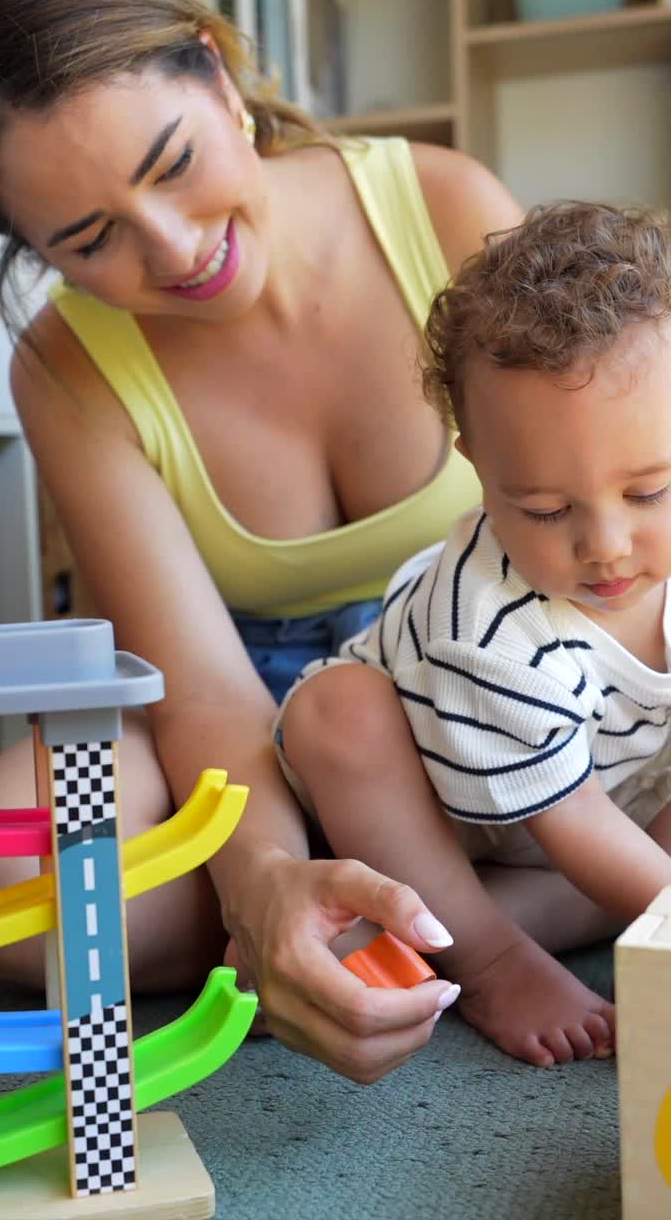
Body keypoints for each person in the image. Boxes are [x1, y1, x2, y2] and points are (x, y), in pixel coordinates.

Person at [0, 0, 523, 1083]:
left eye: (172, 163)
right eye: (91, 239)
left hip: (487, 675)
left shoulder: (446, 207)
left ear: (216, 71)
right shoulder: (67, 366)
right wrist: (259, 875)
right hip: (247, 719)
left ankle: (449, 913)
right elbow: (204, 687)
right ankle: (375, 906)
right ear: (35, 247)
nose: (174, 248)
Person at [277, 199, 671, 1068]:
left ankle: (410, 943)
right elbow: (573, 822)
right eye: (546, 509)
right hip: (421, 824)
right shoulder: (485, 624)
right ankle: (491, 962)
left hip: (571, 831)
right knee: (335, 711)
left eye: (650, 493)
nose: (606, 546)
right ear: (479, 467)